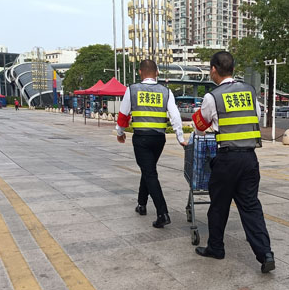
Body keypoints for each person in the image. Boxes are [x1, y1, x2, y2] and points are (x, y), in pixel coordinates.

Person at [191, 51, 275, 273]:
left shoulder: (213, 97)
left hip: (227, 159)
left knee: (219, 206)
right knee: (251, 206)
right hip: (249, 158)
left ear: (213, 70)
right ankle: (265, 253)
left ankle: (216, 248)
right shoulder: (249, 92)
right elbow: (256, 117)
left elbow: (200, 126)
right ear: (233, 69)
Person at [116, 60, 186, 228]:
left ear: (140, 72)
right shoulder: (166, 91)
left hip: (141, 138)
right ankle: (141, 204)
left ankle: (163, 213)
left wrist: (120, 133)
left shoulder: (132, 89)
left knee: (149, 173)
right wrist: (180, 137)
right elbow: (175, 116)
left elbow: (123, 114)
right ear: (157, 73)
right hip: (159, 139)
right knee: (148, 170)